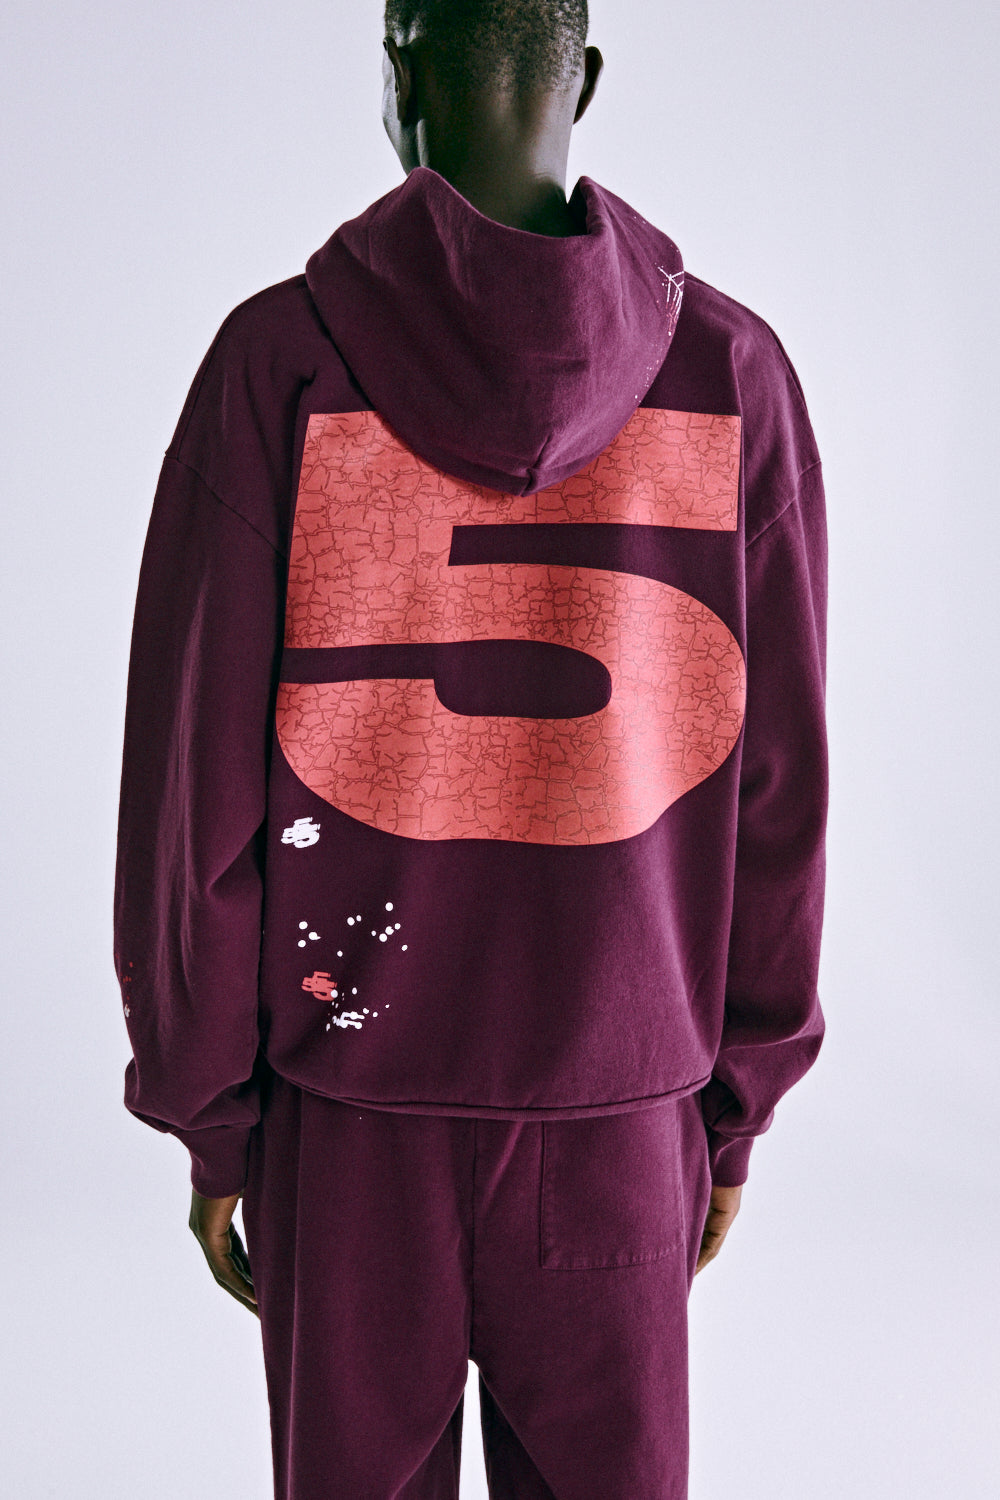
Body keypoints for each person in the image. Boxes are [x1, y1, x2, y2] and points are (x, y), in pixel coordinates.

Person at [113, 2, 829, 1495]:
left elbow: (198, 791)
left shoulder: (277, 368)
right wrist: (732, 1108)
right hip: (624, 1105)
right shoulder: (733, 377)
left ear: (396, 70)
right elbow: (779, 795)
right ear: (587, 78)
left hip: (348, 1117)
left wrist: (211, 1113)